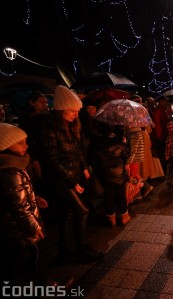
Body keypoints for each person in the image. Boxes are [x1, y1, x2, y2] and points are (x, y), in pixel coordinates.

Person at [35, 85, 103, 263]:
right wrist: (72, 181)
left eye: (76, 110)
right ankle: (81, 250)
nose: (75, 114)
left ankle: (66, 250)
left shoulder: (72, 126)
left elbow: (77, 150)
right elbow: (52, 161)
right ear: (61, 109)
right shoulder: (50, 129)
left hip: (72, 175)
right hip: (61, 180)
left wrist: (84, 167)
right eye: (72, 110)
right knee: (82, 211)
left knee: (68, 214)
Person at [0, 123, 47, 284]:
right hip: (18, 227)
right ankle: (41, 287)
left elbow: (19, 193)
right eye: (20, 142)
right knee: (32, 257)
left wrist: (36, 197)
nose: (26, 145)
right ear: (6, 145)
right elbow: (18, 206)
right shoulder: (10, 170)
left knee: (13, 260)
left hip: (13, 226)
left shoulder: (16, 164)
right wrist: (33, 225)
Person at [88, 122, 130, 226]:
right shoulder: (119, 140)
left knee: (108, 195)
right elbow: (126, 155)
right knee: (121, 195)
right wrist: (125, 143)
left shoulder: (95, 143)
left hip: (105, 174)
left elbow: (92, 158)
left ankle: (112, 219)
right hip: (119, 173)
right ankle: (124, 217)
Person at [151, 96, 170, 175]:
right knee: (161, 155)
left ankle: (163, 171)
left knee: (163, 154)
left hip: (163, 135)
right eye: (165, 101)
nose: (167, 103)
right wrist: (160, 137)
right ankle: (162, 172)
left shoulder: (162, 110)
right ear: (161, 102)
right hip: (161, 137)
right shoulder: (158, 111)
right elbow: (158, 124)